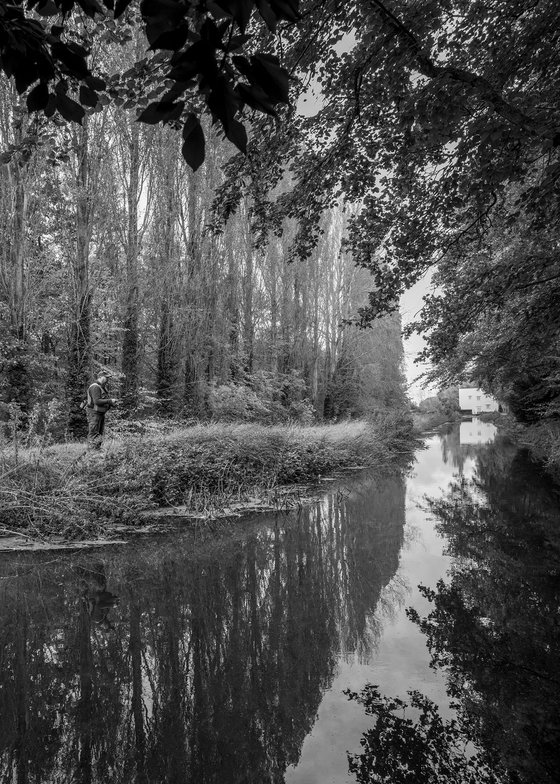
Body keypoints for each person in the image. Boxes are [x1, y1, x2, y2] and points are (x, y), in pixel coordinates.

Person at [86, 373, 117, 449]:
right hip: (94, 413)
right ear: (100, 377)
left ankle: (97, 450)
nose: (107, 379)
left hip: (100, 413)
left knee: (100, 433)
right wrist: (110, 401)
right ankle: (91, 451)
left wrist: (112, 403)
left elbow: (103, 400)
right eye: (106, 377)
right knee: (94, 433)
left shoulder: (101, 387)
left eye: (108, 378)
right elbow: (97, 401)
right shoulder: (95, 387)